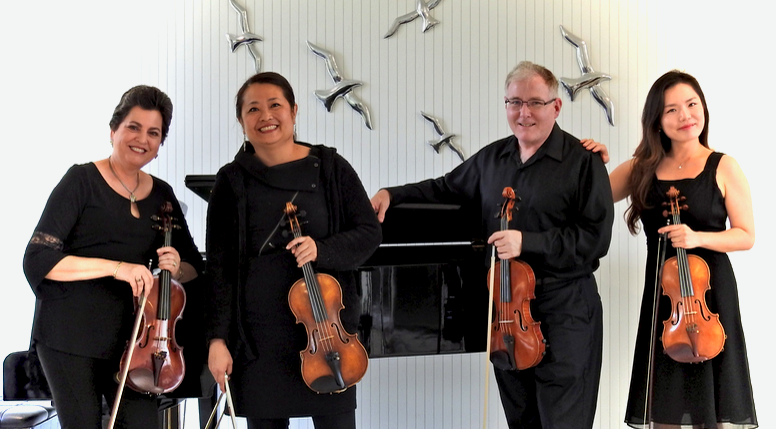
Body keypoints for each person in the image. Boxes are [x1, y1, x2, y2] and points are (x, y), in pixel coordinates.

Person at [372, 61, 614, 428]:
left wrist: (526, 242)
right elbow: (443, 188)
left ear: (556, 107)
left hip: (566, 312)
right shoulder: (492, 159)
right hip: (507, 314)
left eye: (535, 102)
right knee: (521, 420)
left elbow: (595, 240)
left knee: (565, 421)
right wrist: (391, 193)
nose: (524, 112)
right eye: (514, 102)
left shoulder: (584, 162)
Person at [205, 72, 381, 429]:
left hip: (326, 334)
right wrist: (217, 340)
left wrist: (322, 249)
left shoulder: (332, 167)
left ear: (294, 110)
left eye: (275, 105)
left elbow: (368, 233)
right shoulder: (231, 180)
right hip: (257, 343)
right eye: (253, 109)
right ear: (241, 122)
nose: (265, 116)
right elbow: (220, 269)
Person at [22, 85, 204, 429]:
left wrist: (177, 267)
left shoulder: (162, 196)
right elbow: (37, 258)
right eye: (133, 127)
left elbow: (195, 268)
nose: (142, 139)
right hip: (71, 338)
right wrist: (117, 268)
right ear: (113, 131)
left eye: (154, 133)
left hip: (138, 343)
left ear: (160, 144)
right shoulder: (81, 181)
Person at [584, 70, 757, 428]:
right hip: (665, 304)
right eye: (672, 110)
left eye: (691, 105)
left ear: (703, 108)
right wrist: (593, 162)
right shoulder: (640, 168)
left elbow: (745, 235)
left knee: (711, 410)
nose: (685, 116)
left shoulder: (723, 166)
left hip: (711, 300)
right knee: (664, 408)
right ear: (657, 121)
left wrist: (697, 238)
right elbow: (590, 197)